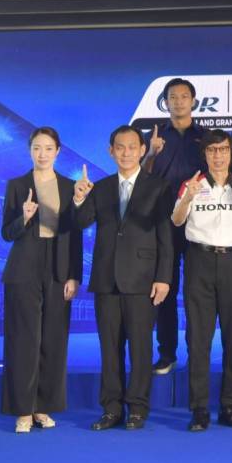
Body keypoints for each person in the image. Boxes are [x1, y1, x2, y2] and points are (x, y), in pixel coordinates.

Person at [74, 125, 173, 431]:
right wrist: (78, 199)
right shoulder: (100, 187)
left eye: (132, 147)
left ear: (142, 150)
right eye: (120, 147)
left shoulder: (159, 187)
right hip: (106, 279)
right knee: (110, 348)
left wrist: (164, 277)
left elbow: (165, 237)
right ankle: (111, 409)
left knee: (141, 348)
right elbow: (81, 222)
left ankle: (138, 409)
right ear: (111, 151)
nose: (126, 153)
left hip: (143, 280)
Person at [172, 130, 232, 432]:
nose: (218, 156)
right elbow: (177, 220)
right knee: (198, 339)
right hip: (200, 261)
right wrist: (188, 198)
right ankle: (199, 409)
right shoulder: (192, 184)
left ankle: (230, 406)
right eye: (212, 150)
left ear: (231, 153)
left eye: (223, 150)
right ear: (205, 154)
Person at [0, 127, 82, 434]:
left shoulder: (69, 186)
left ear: (58, 151)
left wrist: (74, 275)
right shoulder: (17, 185)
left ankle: (42, 407)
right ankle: (23, 410)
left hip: (58, 268)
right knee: (23, 340)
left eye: (48, 148)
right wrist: (23, 217)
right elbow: (6, 233)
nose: (42, 154)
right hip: (24, 267)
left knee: (53, 340)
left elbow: (75, 235)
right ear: (30, 150)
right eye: (37, 148)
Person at [143, 77, 207, 375]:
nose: (178, 101)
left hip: (199, 221)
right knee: (163, 288)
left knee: (197, 291)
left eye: (184, 96)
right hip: (162, 221)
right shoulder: (153, 137)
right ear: (165, 102)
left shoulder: (205, 137)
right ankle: (166, 353)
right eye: (173, 97)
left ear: (193, 101)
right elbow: (140, 177)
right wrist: (151, 153)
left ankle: (197, 352)